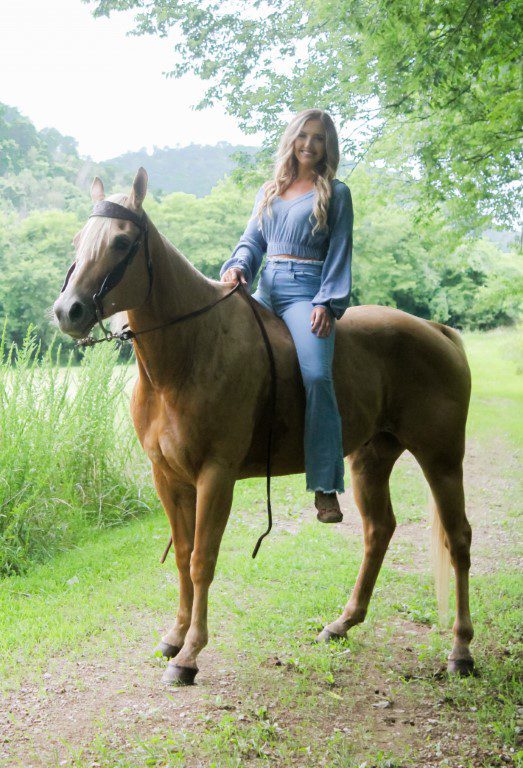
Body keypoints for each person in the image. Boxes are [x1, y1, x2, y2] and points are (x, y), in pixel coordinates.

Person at [220, 109, 353, 523]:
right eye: (303, 136)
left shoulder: (335, 192)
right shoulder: (270, 190)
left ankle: (326, 486)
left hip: (306, 291)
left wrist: (327, 302)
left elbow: (340, 250)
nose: (309, 145)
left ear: (327, 146)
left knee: (316, 375)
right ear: (292, 140)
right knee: (223, 354)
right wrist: (239, 265)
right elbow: (252, 240)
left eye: (318, 139)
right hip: (266, 287)